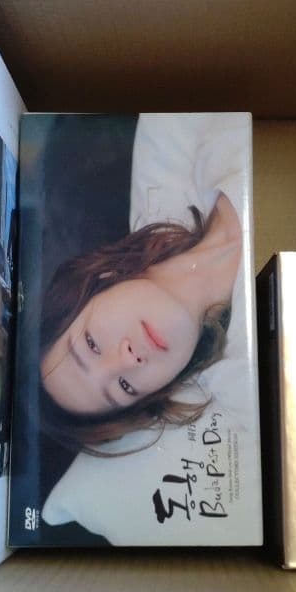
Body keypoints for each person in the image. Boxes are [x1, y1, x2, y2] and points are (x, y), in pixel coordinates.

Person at [38, 191, 242, 454]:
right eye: (125, 386)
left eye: (92, 344)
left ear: (101, 280)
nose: (128, 361)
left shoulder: (164, 184)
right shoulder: (253, 354)